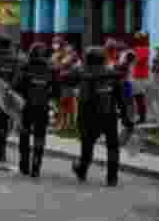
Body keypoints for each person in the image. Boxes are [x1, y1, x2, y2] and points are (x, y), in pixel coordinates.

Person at [69, 46, 133, 186]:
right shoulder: (111, 73)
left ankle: (82, 169)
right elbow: (121, 98)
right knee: (112, 146)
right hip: (109, 114)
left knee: (87, 145)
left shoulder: (81, 72)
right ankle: (112, 177)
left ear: (87, 59)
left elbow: (67, 79)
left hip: (88, 115)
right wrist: (126, 117)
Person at [12, 42, 55, 178]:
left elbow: (16, 86)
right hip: (43, 107)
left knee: (24, 135)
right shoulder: (50, 69)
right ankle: (36, 166)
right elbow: (56, 90)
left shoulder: (25, 67)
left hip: (26, 107)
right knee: (39, 136)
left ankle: (24, 164)